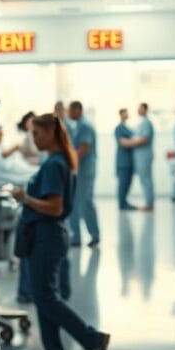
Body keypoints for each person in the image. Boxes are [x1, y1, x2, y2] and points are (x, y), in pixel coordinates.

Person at [12, 113, 109, 350]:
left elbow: (55, 207)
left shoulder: (54, 165)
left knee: (46, 298)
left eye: (37, 134)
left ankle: (93, 340)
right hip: (46, 236)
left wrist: (24, 198)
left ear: (51, 134)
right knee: (45, 298)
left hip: (47, 236)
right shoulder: (58, 161)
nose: (34, 139)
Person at [67, 101, 99, 247]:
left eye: (70, 111)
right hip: (83, 169)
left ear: (78, 110)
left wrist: (69, 160)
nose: (68, 114)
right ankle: (78, 237)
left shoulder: (84, 126)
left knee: (84, 202)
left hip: (84, 170)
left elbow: (84, 148)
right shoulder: (79, 125)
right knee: (82, 202)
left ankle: (87, 236)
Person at [121, 102, 155, 211]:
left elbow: (144, 139)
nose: (138, 110)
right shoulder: (141, 123)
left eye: (140, 108)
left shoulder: (146, 123)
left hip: (144, 156)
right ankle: (148, 203)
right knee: (144, 179)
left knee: (146, 180)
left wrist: (128, 143)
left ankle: (149, 204)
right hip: (140, 156)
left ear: (145, 109)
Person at [114, 108, 136, 210]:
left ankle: (125, 202)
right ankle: (122, 204)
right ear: (120, 115)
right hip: (123, 162)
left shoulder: (128, 128)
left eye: (127, 113)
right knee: (122, 184)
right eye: (124, 113)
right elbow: (123, 143)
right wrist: (140, 141)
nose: (126, 115)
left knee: (128, 183)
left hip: (130, 161)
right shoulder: (119, 128)